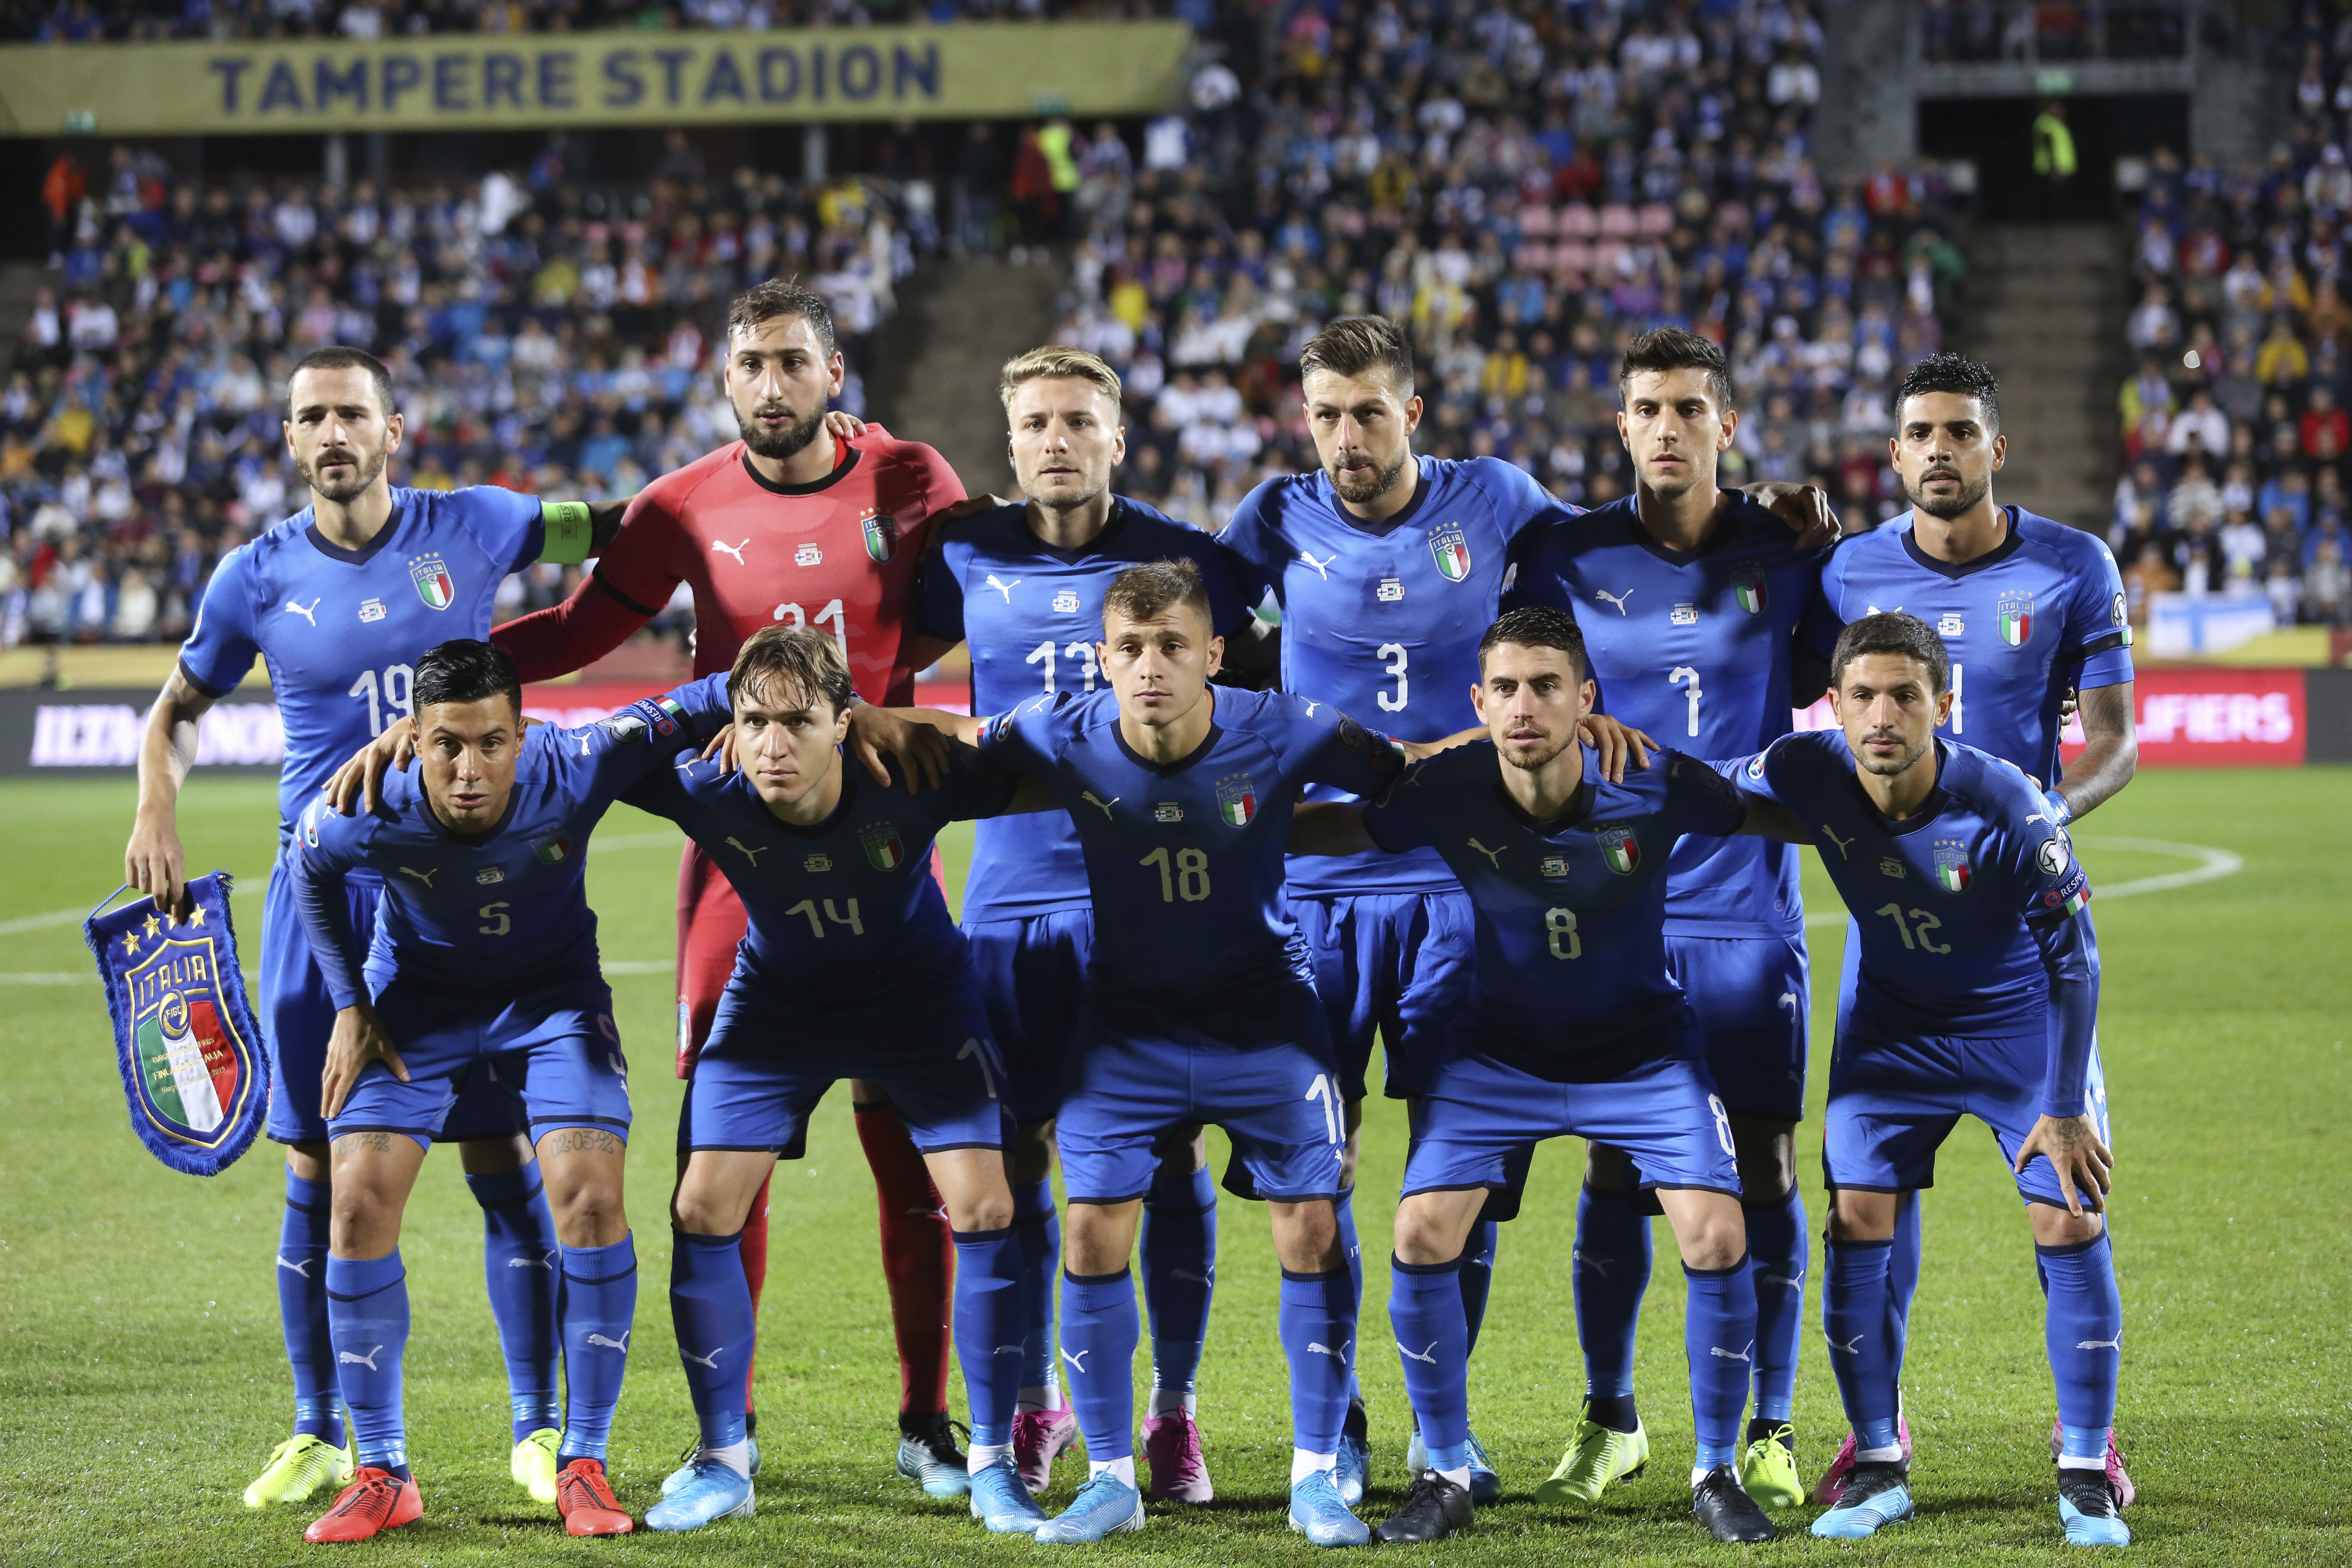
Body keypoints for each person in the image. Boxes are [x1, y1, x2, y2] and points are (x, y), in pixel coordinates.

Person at [1217, 315, 1841, 1499]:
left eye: (1369, 411)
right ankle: (1383, 1422)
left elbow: (1816, 666)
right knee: (1336, 1168)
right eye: (1327, 414)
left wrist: (1784, 507)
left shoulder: (1533, 509)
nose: (1348, 436)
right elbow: (1189, 615)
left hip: (1565, 894)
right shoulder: (1297, 519)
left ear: (1412, 412)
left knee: (1599, 1163)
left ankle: (1732, 1430)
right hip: (1376, 890)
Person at [490, 278, 977, 1496]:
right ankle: (729, 1440)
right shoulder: (681, 503)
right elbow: (576, 634)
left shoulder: (912, 479)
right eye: (752, 363)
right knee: (722, 1143)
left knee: (913, 1146)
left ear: (835, 372)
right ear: (724, 377)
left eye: (794, 361)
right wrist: (438, 674)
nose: (772, 385)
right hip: (736, 854)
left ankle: (928, 1423)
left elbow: (972, 614)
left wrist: (878, 709)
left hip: (884, 842)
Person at [121, 346, 627, 1516]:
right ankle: (321, 1432)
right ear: (290, 440)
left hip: (456, 892)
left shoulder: (482, 524)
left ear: (394, 431)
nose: (333, 432)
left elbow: (616, 527)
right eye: (312, 417)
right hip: (325, 901)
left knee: (500, 1155)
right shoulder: (252, 577)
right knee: (317, 1169)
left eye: (353, 412)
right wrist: (156, 803)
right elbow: (180, 709)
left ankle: (537, 1428)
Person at [895, 558, 1407, 1546]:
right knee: (1092, 1235)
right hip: (1127, 1031)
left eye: (1172, 646)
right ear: (1103, 659)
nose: (1150, 666)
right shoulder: (1063, 727)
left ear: (1213, 653)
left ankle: (1316, 1480)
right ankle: (1112, 1481)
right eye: (1130, 648)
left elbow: (1407, 774)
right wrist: (855, 721)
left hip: (1265, 1024)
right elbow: (956, 737)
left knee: (1310, 1230)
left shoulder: (1287, 725)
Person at [1286, 606, 1797, 1547]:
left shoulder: (1651, 778)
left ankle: (1716, 1472)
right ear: (1479, 703)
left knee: (1718, 1233)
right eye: (1507, 689)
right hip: (1500, 1054)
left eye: (1547, 686)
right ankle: (1444, 1470)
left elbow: (1768, 811)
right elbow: (1349, 829)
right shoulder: (1449, 787)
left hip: (1644, 1053)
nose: (1525, 706)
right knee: (1422, 1228)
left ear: (1585, 698)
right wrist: (1231, 817)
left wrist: (1897, 815)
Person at [911, 346, 1259, 1502]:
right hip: (1011, 905)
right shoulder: (963, 551)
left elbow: (1251, 701)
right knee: (1015, 1161)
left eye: (1077, 421)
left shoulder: (1188, 563)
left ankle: (1174, 1414)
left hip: (1151, 902)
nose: (1056, 441)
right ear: (1011, 443)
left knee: (1169, 1152)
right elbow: (886, 669)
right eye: (1036, 424)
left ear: (1118, 437)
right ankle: (1034, 1407)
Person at [290, 641, 733, 1541]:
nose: (470, 769)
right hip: (416, 1004)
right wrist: (349, 1004)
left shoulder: (577, 762)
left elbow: (702, 698)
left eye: (492, 743)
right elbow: (310, 870)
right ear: (414, 738)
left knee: (591, 1199)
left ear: (523, 736)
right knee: (356, 1202)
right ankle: (382, 1473)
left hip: (552, 1003)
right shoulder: (367, 802)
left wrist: (798, 688)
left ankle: (585, 1463)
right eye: (448, 744)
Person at [615, 626, 1049, 1537]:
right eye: (753, 723)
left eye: (798, 723)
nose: (772, 746)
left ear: (845, 724)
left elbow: (1051, 761)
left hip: (920, 1002)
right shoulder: (706, 785)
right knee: (701, 1206)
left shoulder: (913, 775)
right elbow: (571, 755)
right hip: (779, 1006)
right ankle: (723, 1460)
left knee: (986, 1206)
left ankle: (992, 1464)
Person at [1503, 327, 1836, 1512]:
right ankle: (1612, 1419)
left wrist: (1821, 528)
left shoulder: (1786, 549)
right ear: (1622, 425)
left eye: (1690, 408)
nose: (1666, 428)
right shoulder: (1564, 553)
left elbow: (1828, 680)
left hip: (1747, 915)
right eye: (1647, 408)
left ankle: (1770, 1427)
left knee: (1767, 1168)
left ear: (1726, 426)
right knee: (1613, 1158)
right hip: (1617, 916)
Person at [1809, 352, 2137, 1504]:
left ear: (1996, 447)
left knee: (2067, 1196)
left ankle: (2090, 1441)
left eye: (1960, 431)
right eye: (1920, 433)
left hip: (2019, 931)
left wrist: (2035, 821)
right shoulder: (1845, 569)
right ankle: (1878, 1431)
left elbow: (2115, 742)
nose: (1940, 450)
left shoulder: (2074, 565)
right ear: (1894, 454)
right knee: (1865, 1200)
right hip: (1894, 940)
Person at [1740, 613, 2128, 1548]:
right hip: (1893, 1034)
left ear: (1943, 705)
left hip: (2018, 1031)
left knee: (2069, 1218)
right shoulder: (1802, 768)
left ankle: (2087, 1469)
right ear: (1834, 705)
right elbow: (1699, 792)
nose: (1883, 716)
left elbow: (2076, 962)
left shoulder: (2010, 807)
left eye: (1905, 696)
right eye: (1864, 696)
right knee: (1856, 1221)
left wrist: (2065, 1109)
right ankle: (1878, 1462)